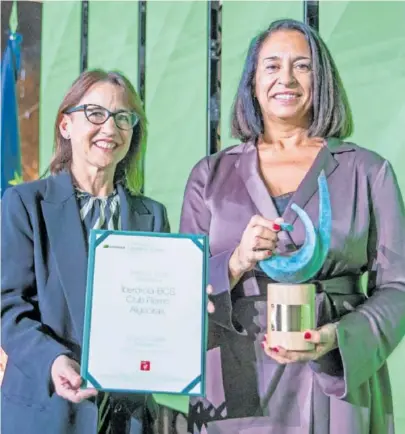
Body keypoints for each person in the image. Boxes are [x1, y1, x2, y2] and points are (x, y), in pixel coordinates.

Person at [180, 19, 405, 434]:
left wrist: (340, 337)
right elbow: (179, 288)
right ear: (251, 82)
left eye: (302, 66)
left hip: (334, 381)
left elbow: (399, 287)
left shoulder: (368, 171)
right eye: (271, 66)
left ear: (322, 81)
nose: (286, 78)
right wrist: (236, 261)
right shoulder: (208, 176)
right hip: (236, 384)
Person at [1, 69, 170, 434]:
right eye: (95, 114)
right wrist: (54, 360)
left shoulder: (152, 215)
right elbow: (8, 307)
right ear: (66, 125)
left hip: (127, 418)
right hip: (44, 412)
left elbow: (155, 312)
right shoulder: (25, 204)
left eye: (123, 118)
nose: (110, 128)